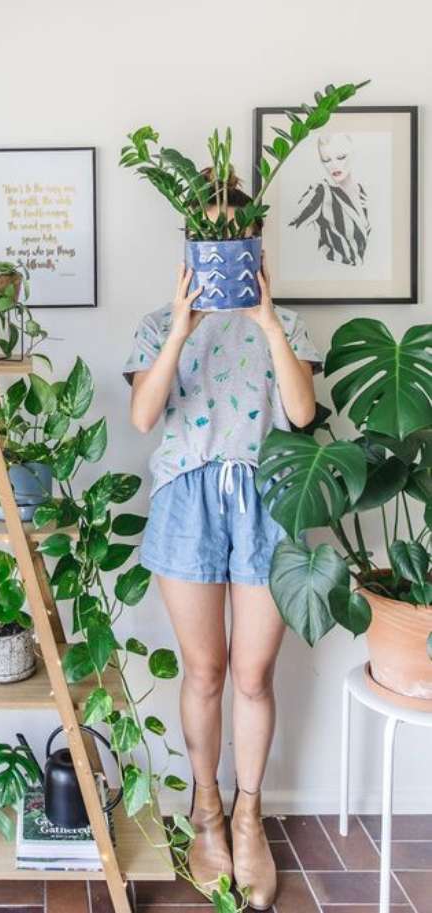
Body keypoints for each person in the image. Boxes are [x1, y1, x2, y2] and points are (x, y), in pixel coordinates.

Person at [124, 168, 321, 910]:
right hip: (186, 498)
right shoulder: (155, 323)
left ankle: (248, 814)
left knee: (253, 674)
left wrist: (268, 320)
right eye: (209, 236)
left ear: (252, 242)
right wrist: (181, 325)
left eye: (232, 235)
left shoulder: (288, 323)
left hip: (266, 497)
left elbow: (301, 417)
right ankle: (205, 810)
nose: (222, 248)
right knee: (204, 671)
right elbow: (144, 417)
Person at [288, 132, 371, 267]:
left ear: (353, 155)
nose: (333, 165)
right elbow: (289, 230)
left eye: (341, 157)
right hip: (331, 273)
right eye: (326, 160)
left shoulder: (363, 193)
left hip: (360, 280)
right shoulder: (321, 192)